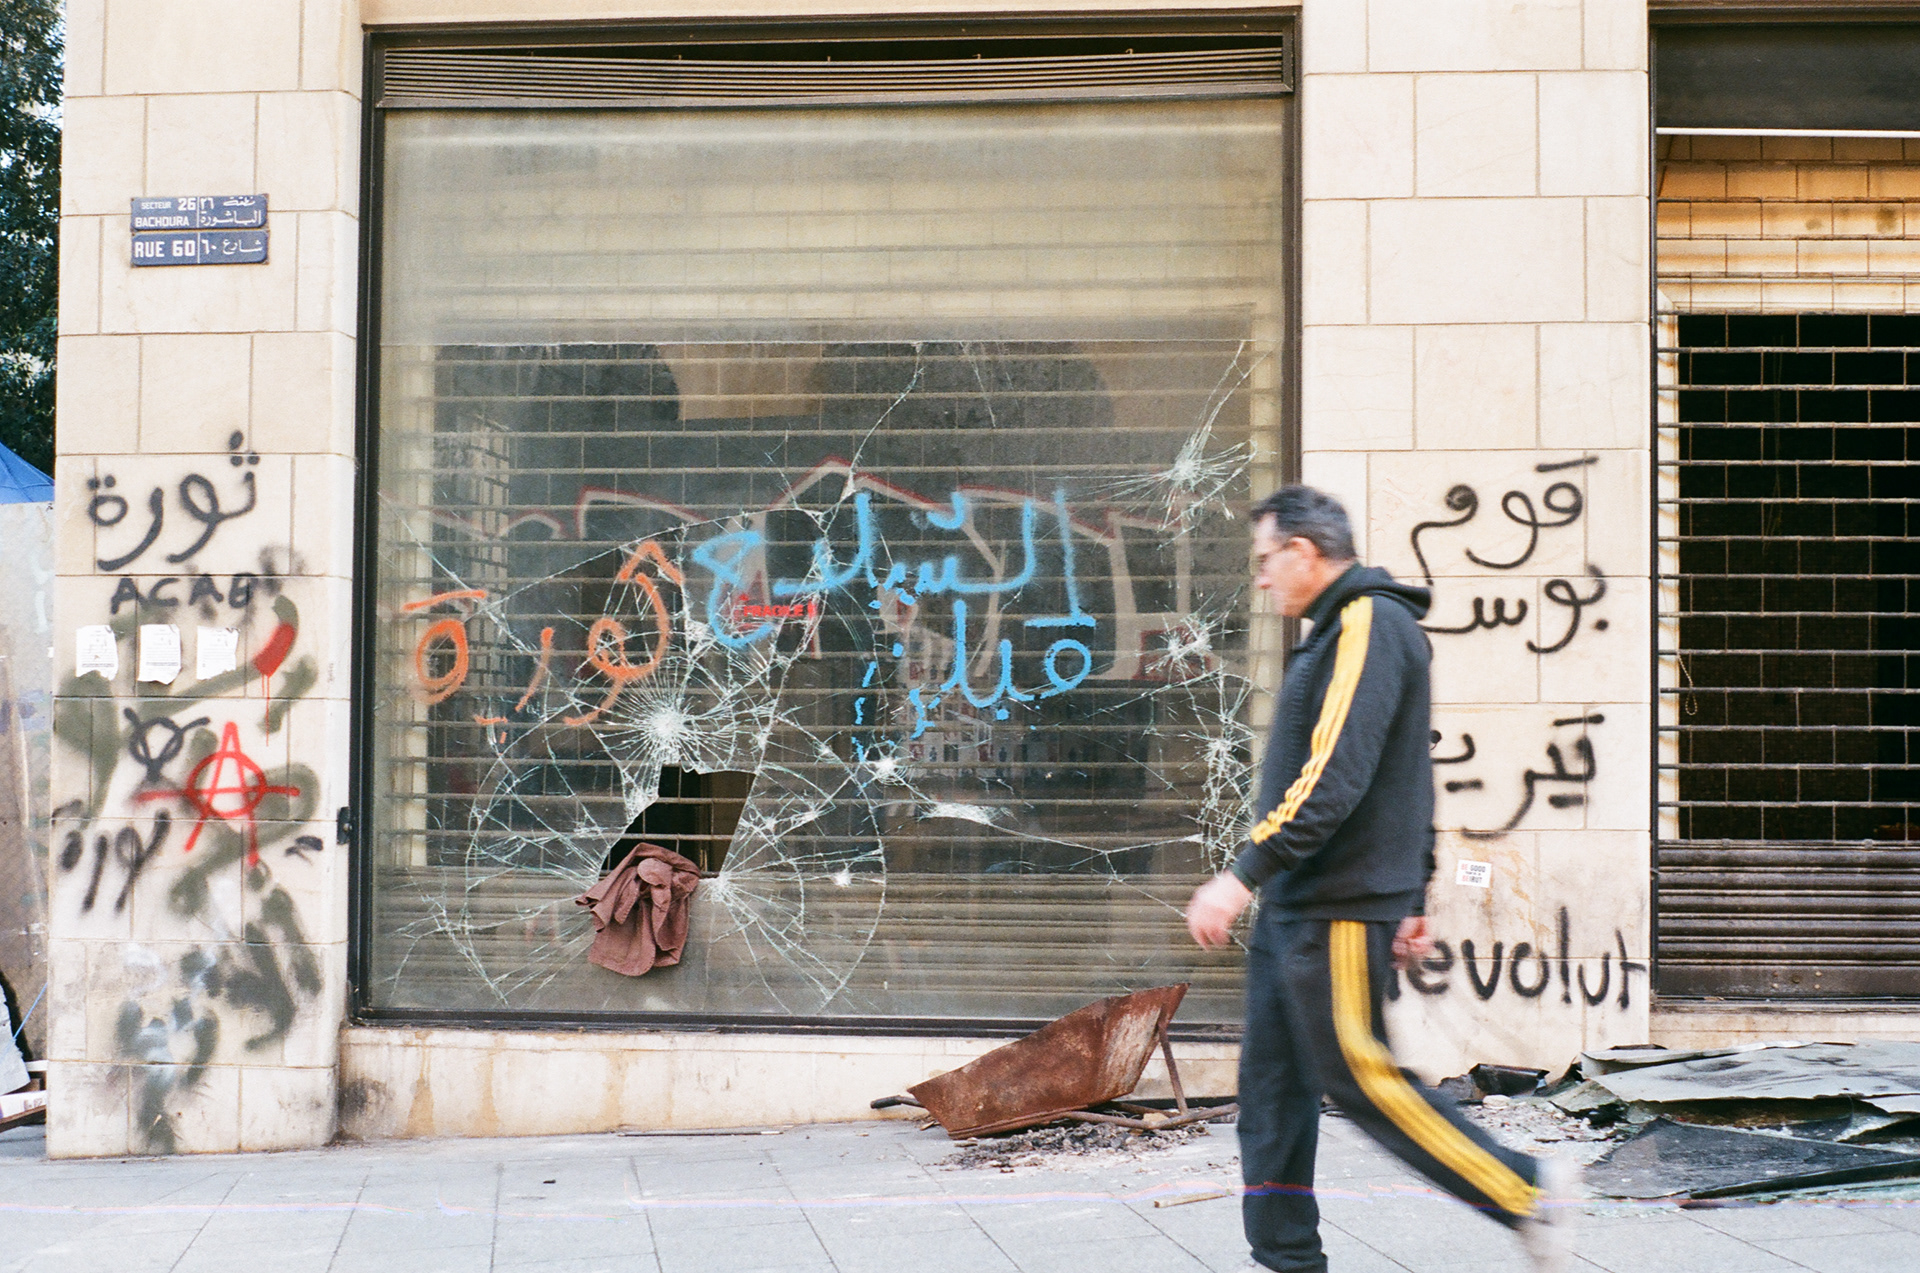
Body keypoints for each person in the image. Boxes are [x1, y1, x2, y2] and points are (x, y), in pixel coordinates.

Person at [1186, 485, 1577, 1273]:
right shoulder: (1338, 631)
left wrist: (1242, 874)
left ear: (1303, 551)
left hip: (1334, 903)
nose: (1260, 577)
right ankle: (1288, 1260)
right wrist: (1416, 892)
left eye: (1265, 559)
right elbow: (1410, 770)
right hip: (1302, 904)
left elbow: (1334, 777)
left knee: (1364, 1077)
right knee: (1271, 1097)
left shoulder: (1368, 623)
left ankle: (1525, 1190)